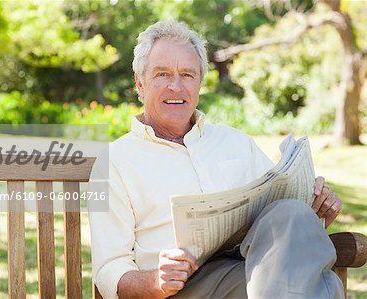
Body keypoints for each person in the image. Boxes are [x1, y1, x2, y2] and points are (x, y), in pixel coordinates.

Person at [89, 20, 343, 299]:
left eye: (187, 74)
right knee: (323, 285)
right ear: (140, 82)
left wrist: (315, 208)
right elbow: (109, 268)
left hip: (254, 272)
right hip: (182, 289)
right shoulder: (114, 161)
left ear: (199, 83)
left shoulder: (234, 142)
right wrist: (156, 281)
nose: (176, 86)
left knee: (290, 212)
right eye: (162, 74)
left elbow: (281, 220)